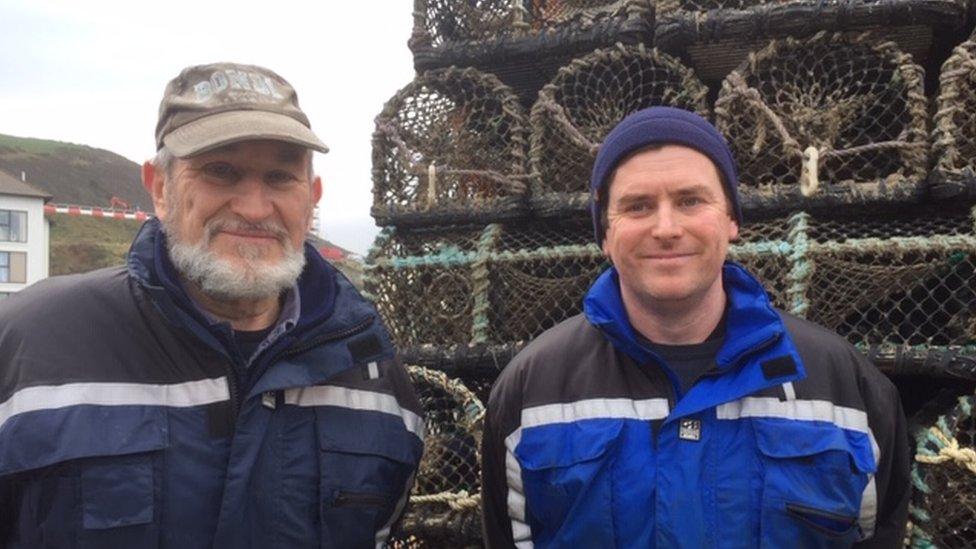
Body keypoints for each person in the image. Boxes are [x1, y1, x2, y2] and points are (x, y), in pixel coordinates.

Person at [0, 62, 424, 548]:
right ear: (160, 188)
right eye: (220, 172)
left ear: (312, 198)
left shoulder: (376, 376)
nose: (254, 207)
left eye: (280, 177)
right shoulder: (29, 349)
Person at [481, 107, 910, 548]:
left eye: (690, 200)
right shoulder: (531, 391)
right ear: (605, 234)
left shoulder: (845, 385)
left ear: (731, 220)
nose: (666, 228)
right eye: (638, 206)